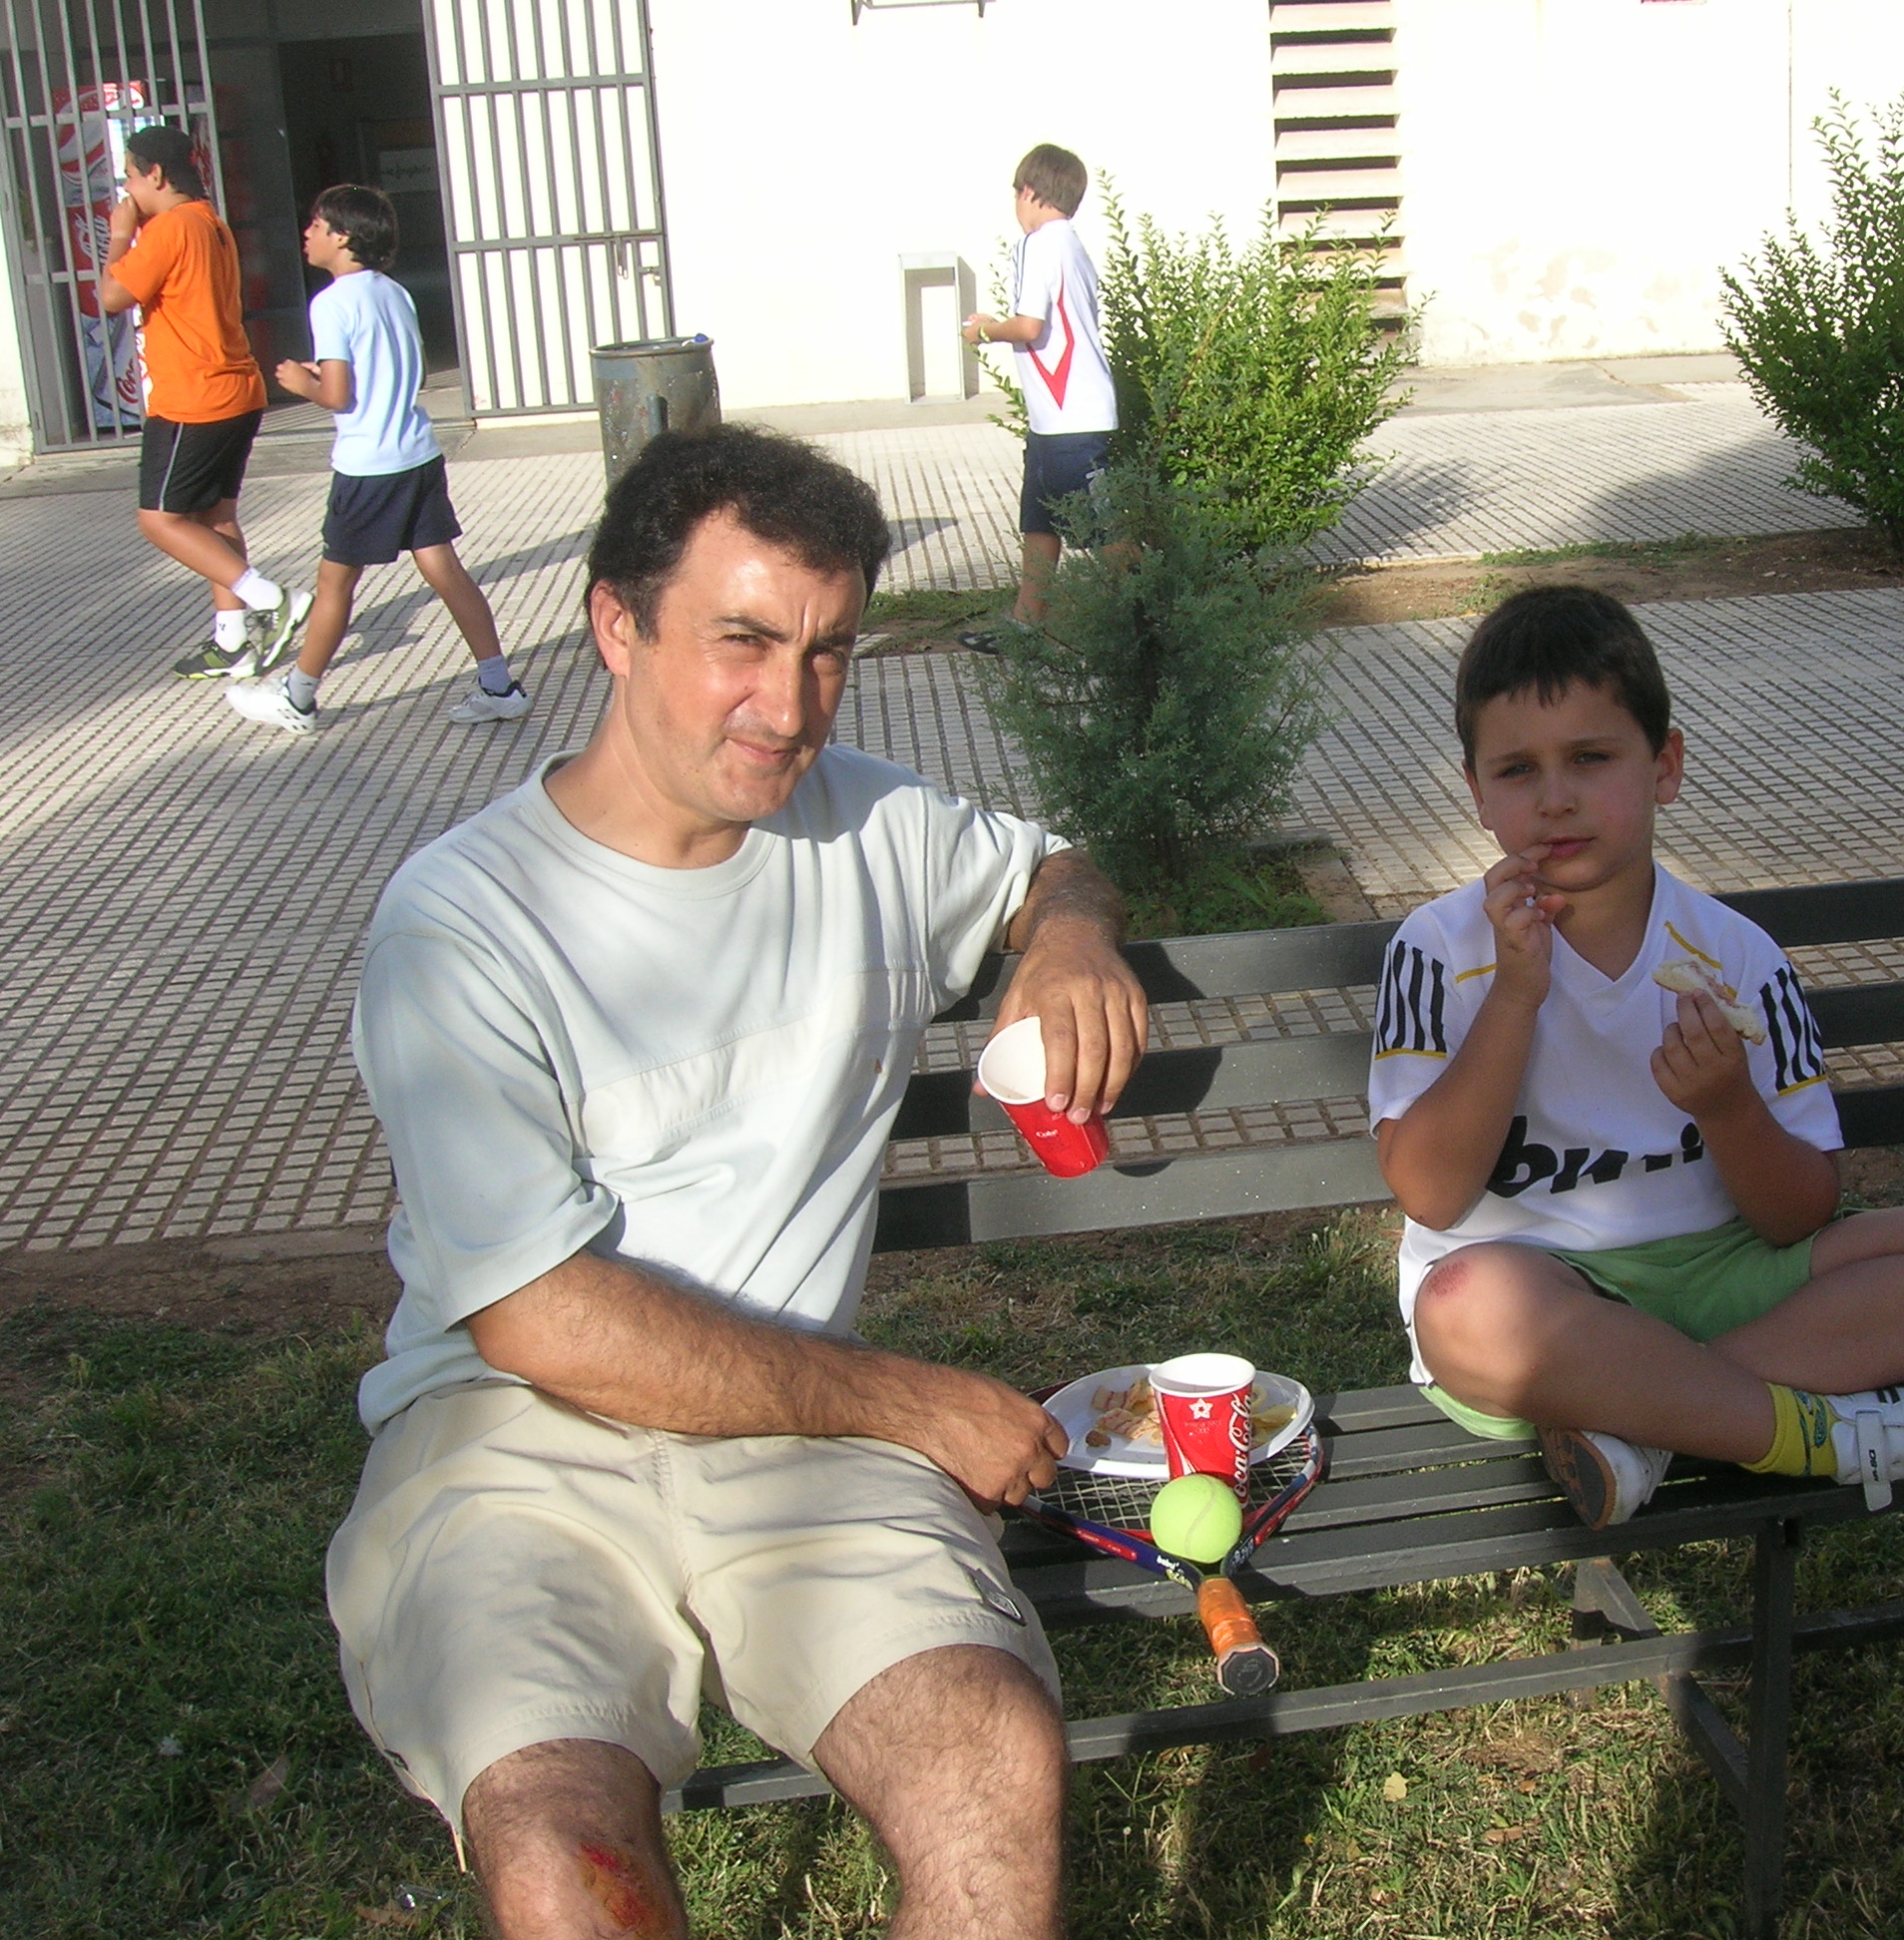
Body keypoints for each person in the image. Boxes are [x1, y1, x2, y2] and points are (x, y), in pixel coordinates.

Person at [326, 424, 1146, 1939]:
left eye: (829, 652)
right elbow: (540, 1318)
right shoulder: (463, 925)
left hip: (803, 1445)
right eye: (744, 642)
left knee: (989, 1754)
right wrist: (914, 1403)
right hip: (511, 1442)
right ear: (616, 624)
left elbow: (1054, 864)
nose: (790, 707)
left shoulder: (872, 828)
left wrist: (1071, 935)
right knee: (558, 1842)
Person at [1370, 586, 1904, 1530]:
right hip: (1540, 1290)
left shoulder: (1739, 958)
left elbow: (1797, 1216)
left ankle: (1648, 1418)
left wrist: (1728, 1106)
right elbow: (1431, 1196)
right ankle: (1829, 1434)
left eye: (1591, 758)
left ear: (1666, 766)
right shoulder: (1440, 950)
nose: (1556, 798)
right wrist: (1516, 998)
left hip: (1728, 1278)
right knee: (1461, 1308)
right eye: (1518, 770)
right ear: (1479, 795)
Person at [229, 186, 523, 736]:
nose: (307, 234)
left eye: (317, 225)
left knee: (334, 583)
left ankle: (298, 696)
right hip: (417, 453)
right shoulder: (395, 292)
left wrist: (301, 383)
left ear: (343, 237)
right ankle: (499, 685)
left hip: (368, 466)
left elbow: (338, 395)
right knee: (444, 569)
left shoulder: (331, 303)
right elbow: (397, 373)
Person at [96, 123, 309, 680]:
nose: (127, 192)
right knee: (216, 518)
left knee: (160, 520)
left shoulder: (169, 228)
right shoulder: (211, 221)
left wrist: (120, 235)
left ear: (155, 175)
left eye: (129, 178)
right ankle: (232, 638)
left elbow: (112, 296)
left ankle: (269, 598)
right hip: (237, 389)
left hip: (193, 398)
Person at [958, 143, 1117, 645]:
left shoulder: (1040, 244)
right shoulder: (1069, 245)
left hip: (1073, 417)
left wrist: (984, 331)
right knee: (1041, 521)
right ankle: (1025, 626)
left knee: (1103, 532)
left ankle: (1159, 618)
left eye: (1016, 195)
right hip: (1057, 417)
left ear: (1028, 192)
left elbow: (1029, 325)